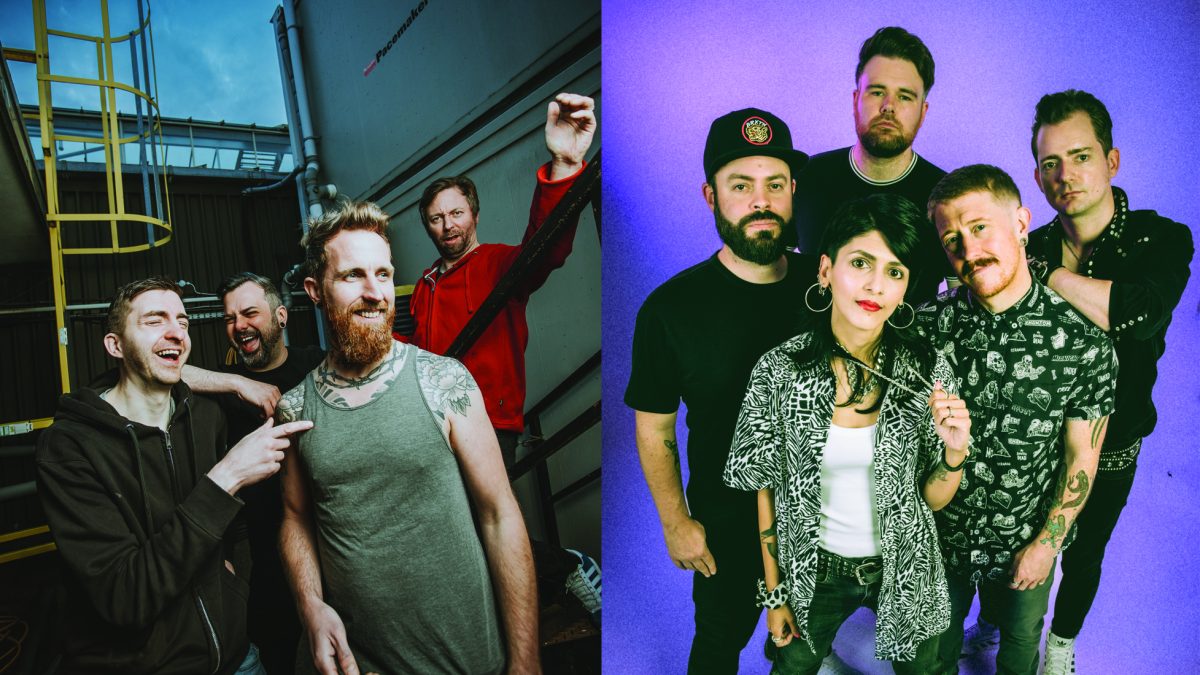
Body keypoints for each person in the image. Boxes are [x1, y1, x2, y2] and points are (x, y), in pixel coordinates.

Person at [278, 202, 538, 674]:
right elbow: (296, 519)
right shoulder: (294, 408)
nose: (375, 292)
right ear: (316, 291)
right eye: (353, 276)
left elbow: (501, 517)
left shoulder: (445, 382)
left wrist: (526, 662)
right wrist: (309, 605)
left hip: (467, 661)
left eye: (383, 273)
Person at [724, 194, 971, 674]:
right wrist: (775, 596)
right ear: (824, 270)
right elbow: (766, 491)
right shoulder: (779, 371)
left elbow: (932, 501)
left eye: (895, 272)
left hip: (906, 563)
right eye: (861, 262)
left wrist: (955, 452)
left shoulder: (926, 372)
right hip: (814, 570)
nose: (876, 285)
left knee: (926, 670)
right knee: (792, 667)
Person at [35, 276, 311, 674]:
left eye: (182, 322)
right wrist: (226, 477)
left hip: (237, 656)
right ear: (115, 346)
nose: (176, 332)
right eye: (155, 320)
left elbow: (226, 526)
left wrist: (226, 574)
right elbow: (124, 597)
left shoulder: (204, 418)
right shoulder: (70, 447)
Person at [624, 107, 817, 673]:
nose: (761, 201)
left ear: (792, 193)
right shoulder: (669, 309)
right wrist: (675, 523)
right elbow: (654, 427)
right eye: (741, 185)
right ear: (711, 195)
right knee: (717, 646)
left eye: (775, 185)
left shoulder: (829, 285)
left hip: (819, 514)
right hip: (726, 522)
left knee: (804, 650)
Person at [920, 165, 1117, 675]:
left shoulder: (1084, 345)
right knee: (931, 656)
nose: (967, 249)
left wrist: (1045, 545)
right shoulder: (927, 328)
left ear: (1022, 223)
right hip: (944, 539)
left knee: (1018, 653)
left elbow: (1082, 456)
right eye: (951, 238)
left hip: (1026, 541)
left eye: (980, 226)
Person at [1024, 90, 1193, 673]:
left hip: (1114, 440)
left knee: (1085, 550)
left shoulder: (1162, 237)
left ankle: (1061, 647)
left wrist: (1046, 278)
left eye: (1080, 156)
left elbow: (1140, 313)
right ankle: (1002, 630)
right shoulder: (1032, 242)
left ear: (1111, 161)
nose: (1064, 175)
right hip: (1036, 435)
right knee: (1017, 545)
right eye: (1050, 163)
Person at [401, 92, 597, 469]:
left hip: (490, 423)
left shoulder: (499, 263)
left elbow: (548, 249)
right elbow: (415, 351)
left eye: (456, 212)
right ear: (427, 226)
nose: (448, 225)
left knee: (493, 520)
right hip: (435, 425)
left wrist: (565, 163)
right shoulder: (425, 283)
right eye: (436, 218)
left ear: (474, 214)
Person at [792, 26, 949, 304]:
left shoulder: (947, 198)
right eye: (877, 92)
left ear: (923, 112)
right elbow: (771, 274)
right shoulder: (807, 179)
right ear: (856, 101)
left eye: (904, 96)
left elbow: (964, 304)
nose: (888, 106)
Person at [217, 271, 325, 675]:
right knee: (276, 651)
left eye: (249, 313)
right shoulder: (224, 392)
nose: (239, 325)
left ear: (281, 315)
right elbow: (153, 374)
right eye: (229, 318)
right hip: (265, 549)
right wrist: (235, 382)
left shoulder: (315, 364)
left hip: (330, 534)